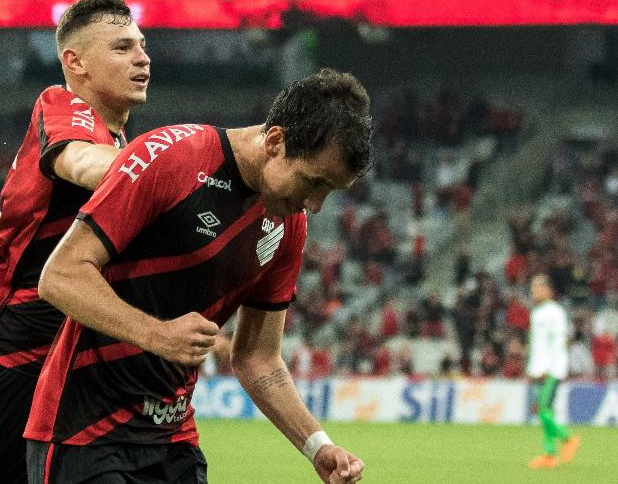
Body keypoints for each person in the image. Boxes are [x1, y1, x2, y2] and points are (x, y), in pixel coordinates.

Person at [26, 69, 372, 483]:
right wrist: (156, 335)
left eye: (330, 192)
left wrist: (317, 445)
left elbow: (258, 358)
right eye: (313, 182)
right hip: (83, 433)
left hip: (172, 441)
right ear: (276, 142)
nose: (314, 205)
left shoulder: (287, 226)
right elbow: (61, 275)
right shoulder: (174, 157)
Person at [0, 0, 150, 484]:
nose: (142, 57)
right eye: (122, 47)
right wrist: (177, 168)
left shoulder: (122, 145)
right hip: (16, 359)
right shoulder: (63, 105)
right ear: (76, 62)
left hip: (74, 365)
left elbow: (0, 227)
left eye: (141, 45)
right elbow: (79, 163)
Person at [525, 273, 581, 469]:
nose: (533, 290)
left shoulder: (556, 312)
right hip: (539, 369)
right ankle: (549, 454)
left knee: (542, 409)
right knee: (545, 411)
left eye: (536, 286)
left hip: (552, 369)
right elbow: (537, 345)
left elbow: (558, 342)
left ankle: (568, 439)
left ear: (548, 290)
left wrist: (549, 368)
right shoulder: (536, 313)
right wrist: (532, 369)